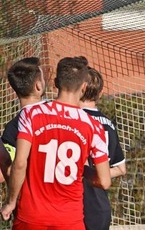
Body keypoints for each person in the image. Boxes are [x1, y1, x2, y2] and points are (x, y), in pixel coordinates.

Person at [1, 56, 112, 229]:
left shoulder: (32, 114)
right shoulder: (94, 126)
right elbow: (104, 181)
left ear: (55, 83)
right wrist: (83, 171)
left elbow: (20, 163)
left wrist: (11, 201)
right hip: (69, 219)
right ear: (83, 87)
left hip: (31, 216)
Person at [81, 67, 127, 230]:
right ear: (100, 94)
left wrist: (84, 171)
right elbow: (121, 169)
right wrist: (99, 173)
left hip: (75, 206)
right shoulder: (108, 123)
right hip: (100, 207)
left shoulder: (72, 119)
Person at [0, 57, 48, 183]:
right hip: (70, 195)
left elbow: (5, 170)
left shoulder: (14, 127)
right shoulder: (62, 113)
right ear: (38, 86)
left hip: (33, 194)